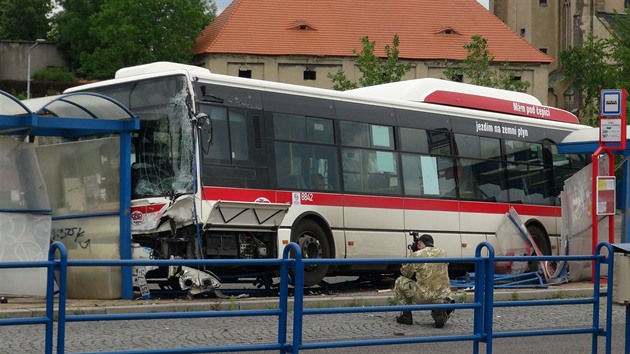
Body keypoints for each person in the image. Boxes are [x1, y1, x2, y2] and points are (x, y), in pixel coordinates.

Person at [392, 233, 453, 328]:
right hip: (443, 295)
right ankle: (440, 311)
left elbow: (406, 273)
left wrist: (412, 255)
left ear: (420, 243)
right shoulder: (443, 252)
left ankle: (406, 315)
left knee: (400, 281)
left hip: (424, 295)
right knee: (438, 299)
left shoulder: (417, 255)